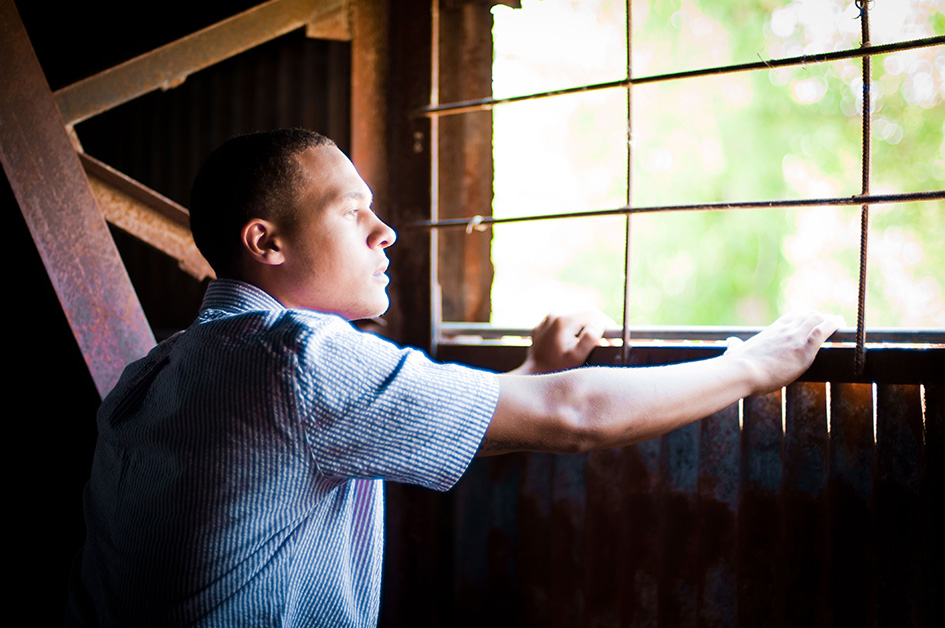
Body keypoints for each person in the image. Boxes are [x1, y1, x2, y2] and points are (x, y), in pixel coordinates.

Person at [67, 129, 841, 627]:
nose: (386, 232)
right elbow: (573, 415)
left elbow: (405, 424)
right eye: (351, 212)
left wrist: (527, 376)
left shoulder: (163, 365)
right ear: (266, 242)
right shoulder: (296, 358)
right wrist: (751, 365)